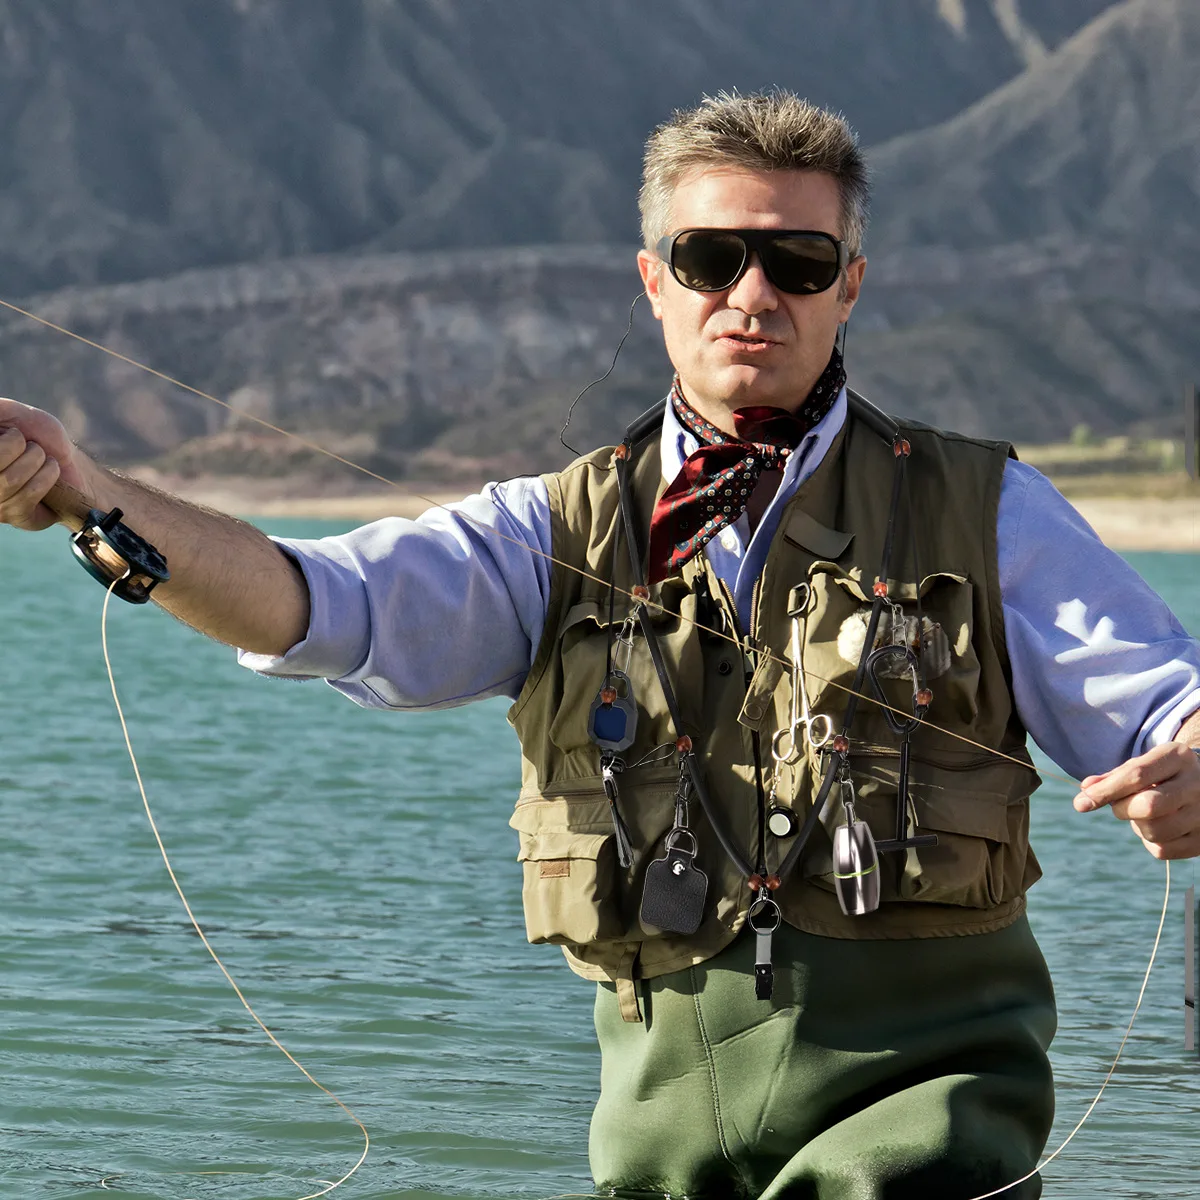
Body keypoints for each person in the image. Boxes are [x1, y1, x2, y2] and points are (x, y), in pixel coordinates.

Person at [2, 90, 1199, 1200]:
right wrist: (93, 493)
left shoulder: (987, 509)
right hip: (658, 1170)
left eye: (799, 260)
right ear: (653, 281)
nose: (753, 292)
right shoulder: (545, 530)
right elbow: (310, 601)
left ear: (850, 288)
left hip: (930, 1162)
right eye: (711, 257)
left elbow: (1162, 705)